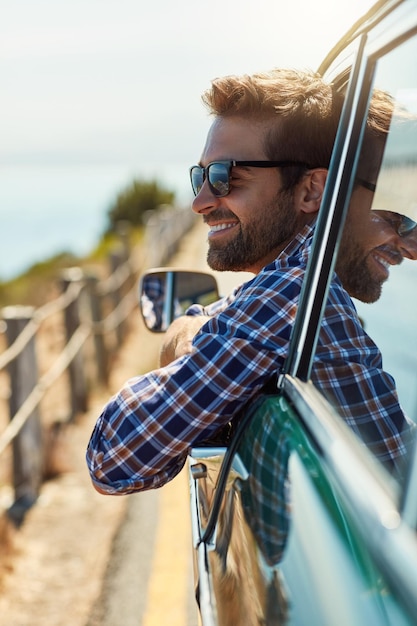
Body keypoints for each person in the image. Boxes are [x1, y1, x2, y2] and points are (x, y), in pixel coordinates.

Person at [86, 69, 411, 495]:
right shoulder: (296, 288)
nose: (200, 202)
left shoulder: (294, 292)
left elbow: (114, 455)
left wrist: (184, 337)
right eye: (202, 177)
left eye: (224, 177)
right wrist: (193, 327)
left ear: (313, 191)